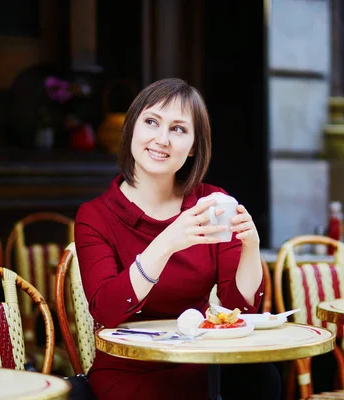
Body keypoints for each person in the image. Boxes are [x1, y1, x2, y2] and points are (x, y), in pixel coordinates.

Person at [74, 78, 281, 400]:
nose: (162, 139)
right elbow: (107, 311)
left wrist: (250, 247)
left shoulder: (212, 204)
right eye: (152, 122)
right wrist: (167, 242)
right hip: (131, 370)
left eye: (179, 129)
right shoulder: (96, 215)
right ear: (132, 129)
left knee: (260, 376)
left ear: (194, 146)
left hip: (202, 363)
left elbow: (238, 307)